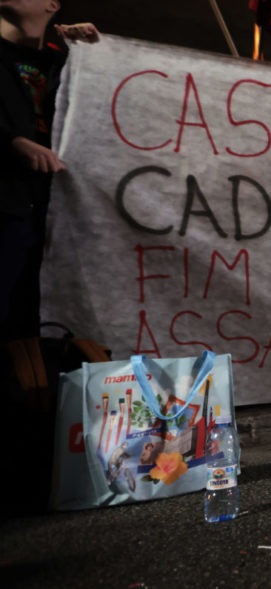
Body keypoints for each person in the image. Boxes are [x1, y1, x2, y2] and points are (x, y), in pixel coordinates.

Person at [1, 0, 97, 340]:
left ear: (51, 4)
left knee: (31, 328)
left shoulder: (64, 62)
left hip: (53, 219)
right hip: (6, 206)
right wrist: (11, 141)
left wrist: (88, 54)